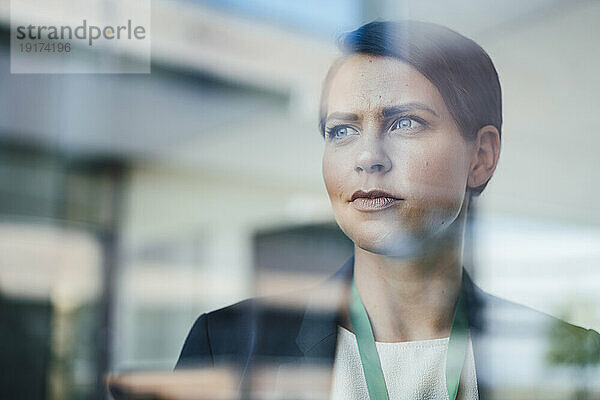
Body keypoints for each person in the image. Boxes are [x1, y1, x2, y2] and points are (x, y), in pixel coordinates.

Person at [175, 20, 600, 399]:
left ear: (481, 157)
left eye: (405, 123)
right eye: (342, 130)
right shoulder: (228, 345)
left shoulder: (575, 359)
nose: (367, 156)